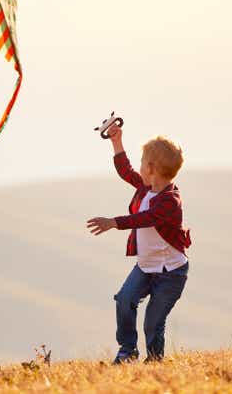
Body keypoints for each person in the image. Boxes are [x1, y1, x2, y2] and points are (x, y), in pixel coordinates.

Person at [86, 123, 191, 365]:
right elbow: (126, 171)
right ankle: (127, 350)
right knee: (124, 300)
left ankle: (154, 361)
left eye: (143, 162)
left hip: (171, 273)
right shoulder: (147, 187)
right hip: (145, 267)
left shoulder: (170, 201)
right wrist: (116, 141)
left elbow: (147, 218)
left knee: (153, 321)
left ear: (152, 169)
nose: (139, 166)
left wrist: (113, 222)